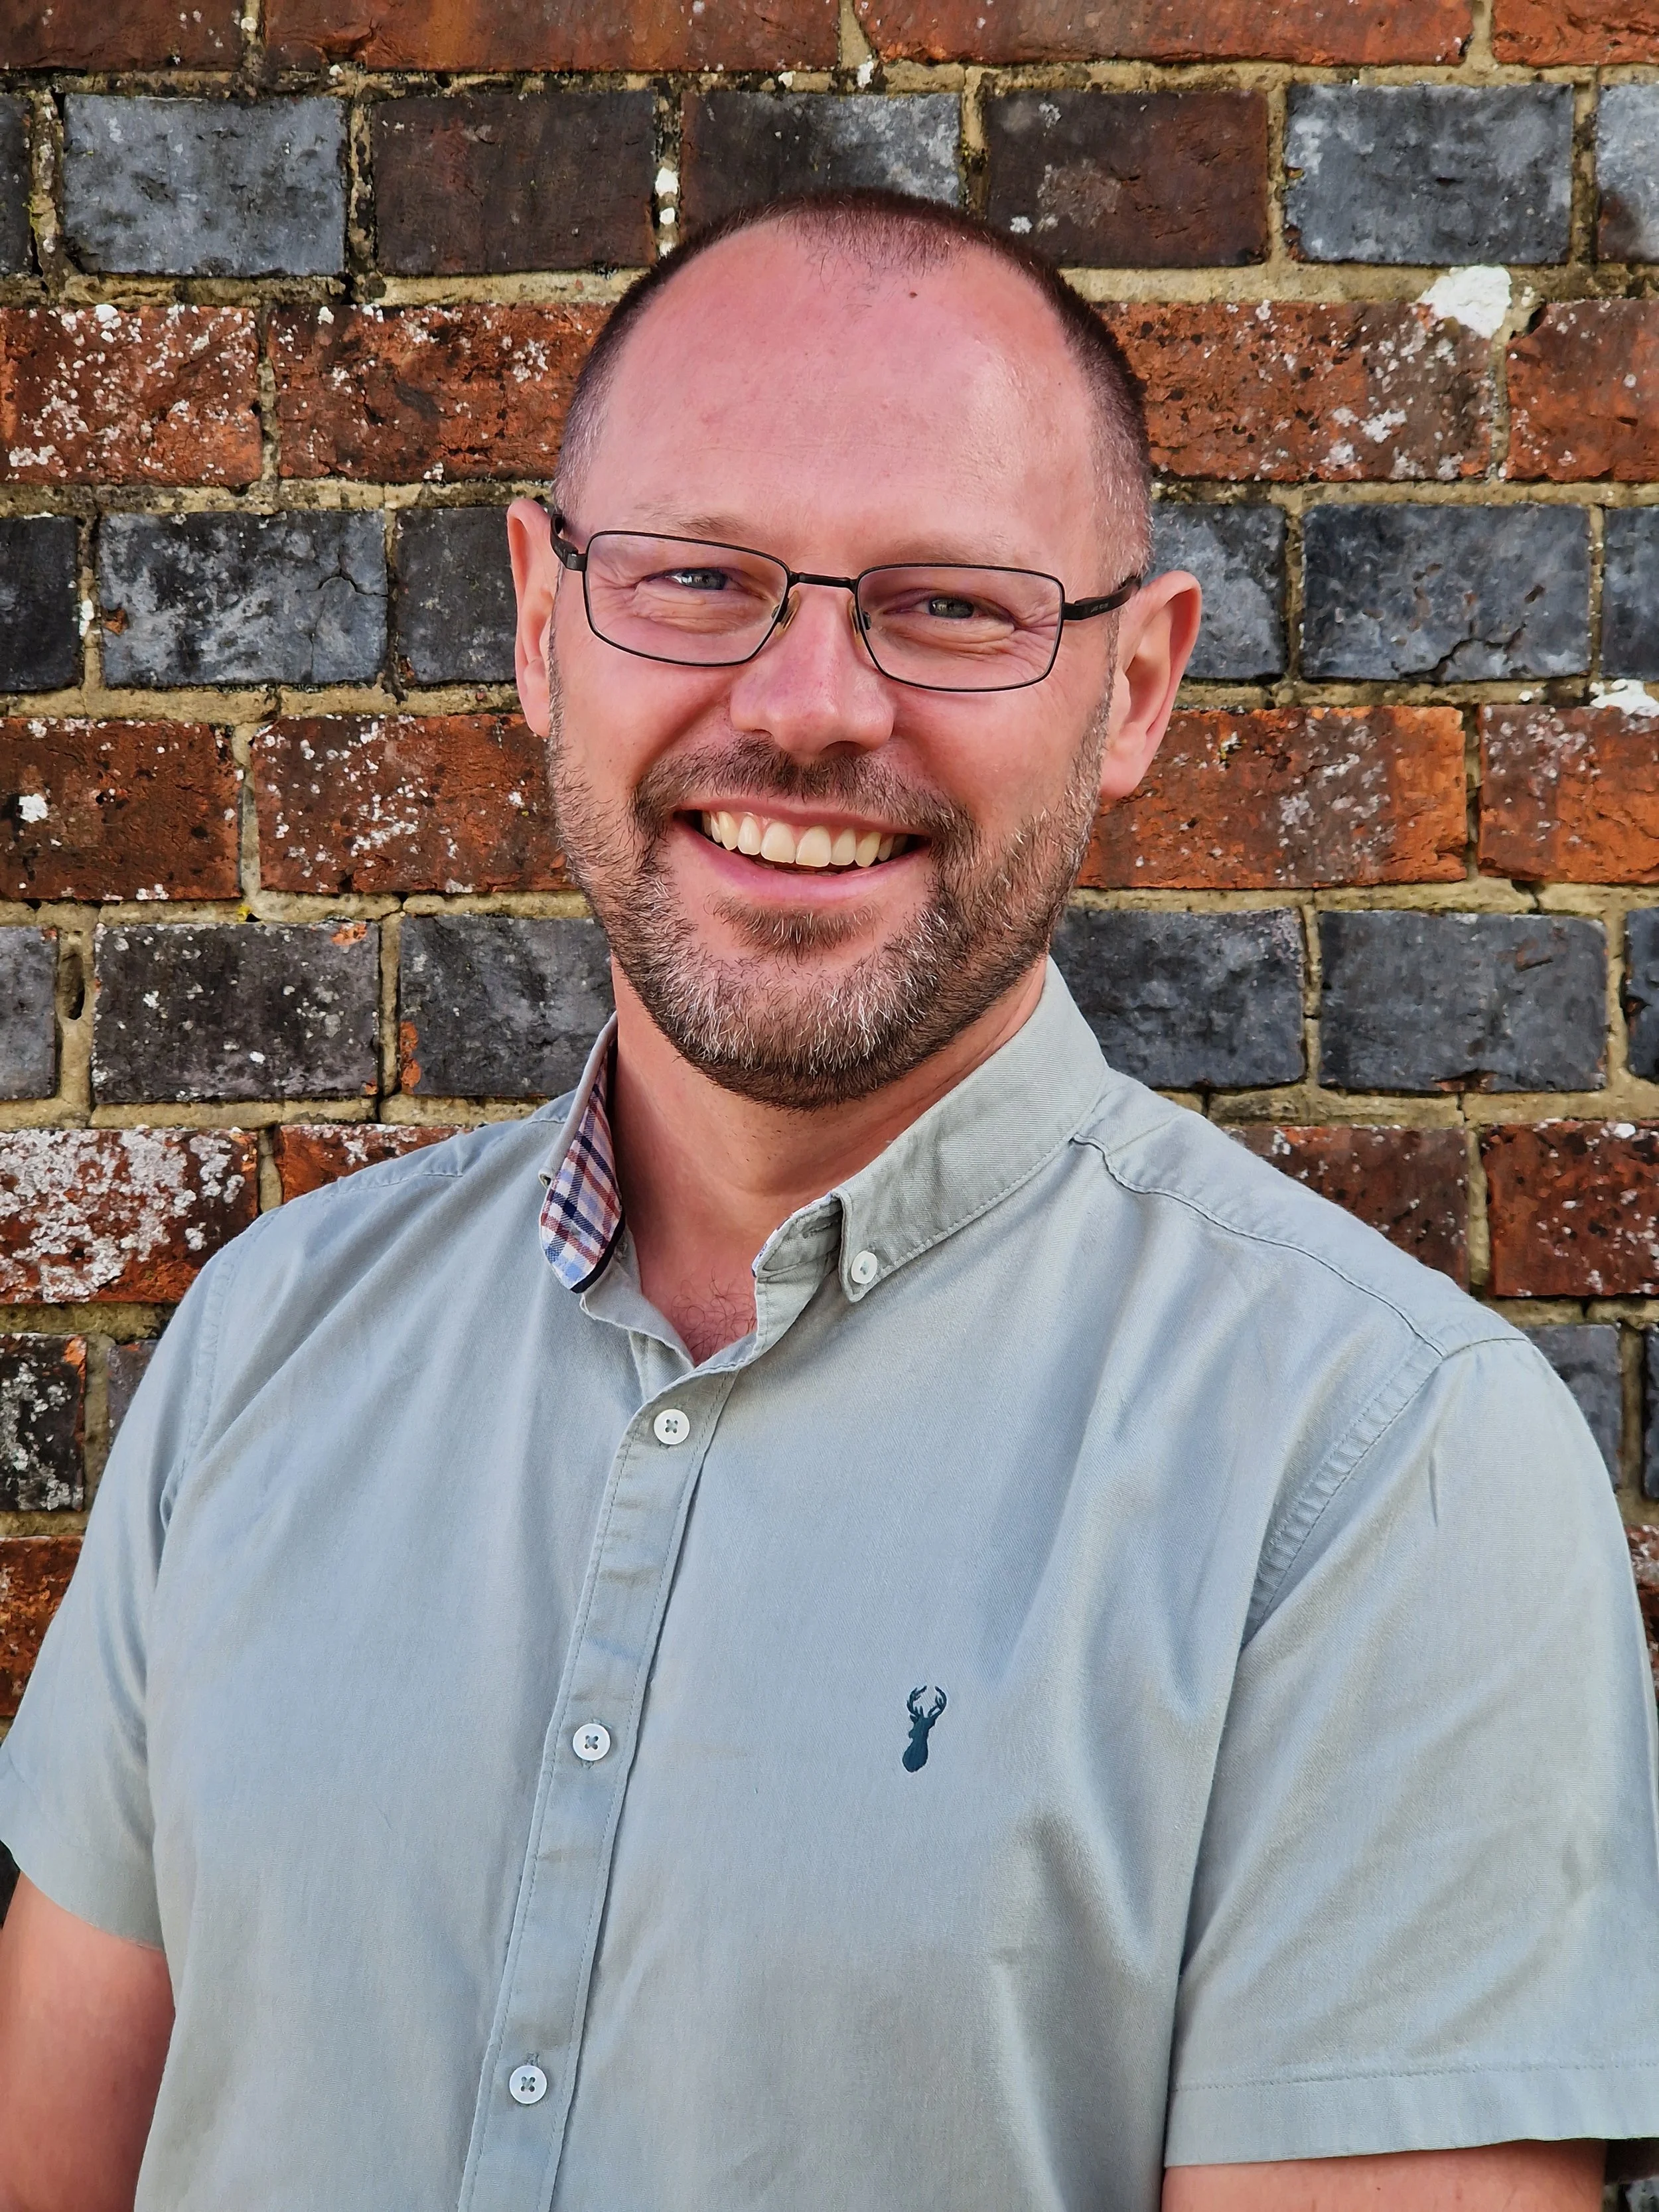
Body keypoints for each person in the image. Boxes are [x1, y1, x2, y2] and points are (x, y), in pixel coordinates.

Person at [1, 190, 1655, 2212]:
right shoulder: (272, 1337)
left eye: (950, 603)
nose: (805, 706)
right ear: (539, 621)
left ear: (1131, 687)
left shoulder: (1378, 1473)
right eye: (698, 577)